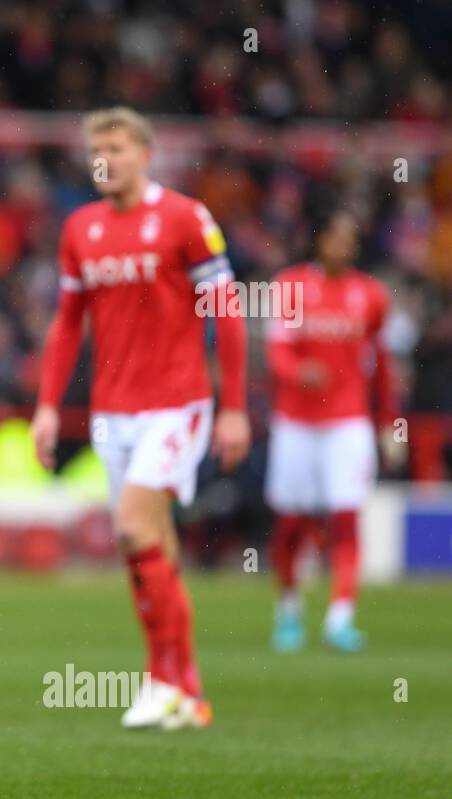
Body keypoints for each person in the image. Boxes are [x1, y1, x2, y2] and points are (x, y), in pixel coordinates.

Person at [32, 107, 250, 730]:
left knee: (131, 529)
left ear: (146, 154)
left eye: (117, 147)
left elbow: (227, 313)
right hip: (112, 412)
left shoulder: (185, 218)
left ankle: (161, 681)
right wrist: (48, 406)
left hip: (176, 404)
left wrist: (233, 407)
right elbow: (68, 323)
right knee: (151, 545)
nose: (105, 159)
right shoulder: (81, 228)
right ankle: (189, 691)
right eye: (96, 149)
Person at [265, 210, 401, 653]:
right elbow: (276, 352)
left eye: (350, 238)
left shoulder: (372, 295)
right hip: (296, 423)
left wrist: (389, 425)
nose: (343, 246)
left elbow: (382, 366)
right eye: (335, 237)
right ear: (318, 240)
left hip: (347, 422)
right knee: (291, 523)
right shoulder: (288, 286)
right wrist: (297, 371)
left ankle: (340, 616)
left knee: (345, 518)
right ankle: (288, 608)